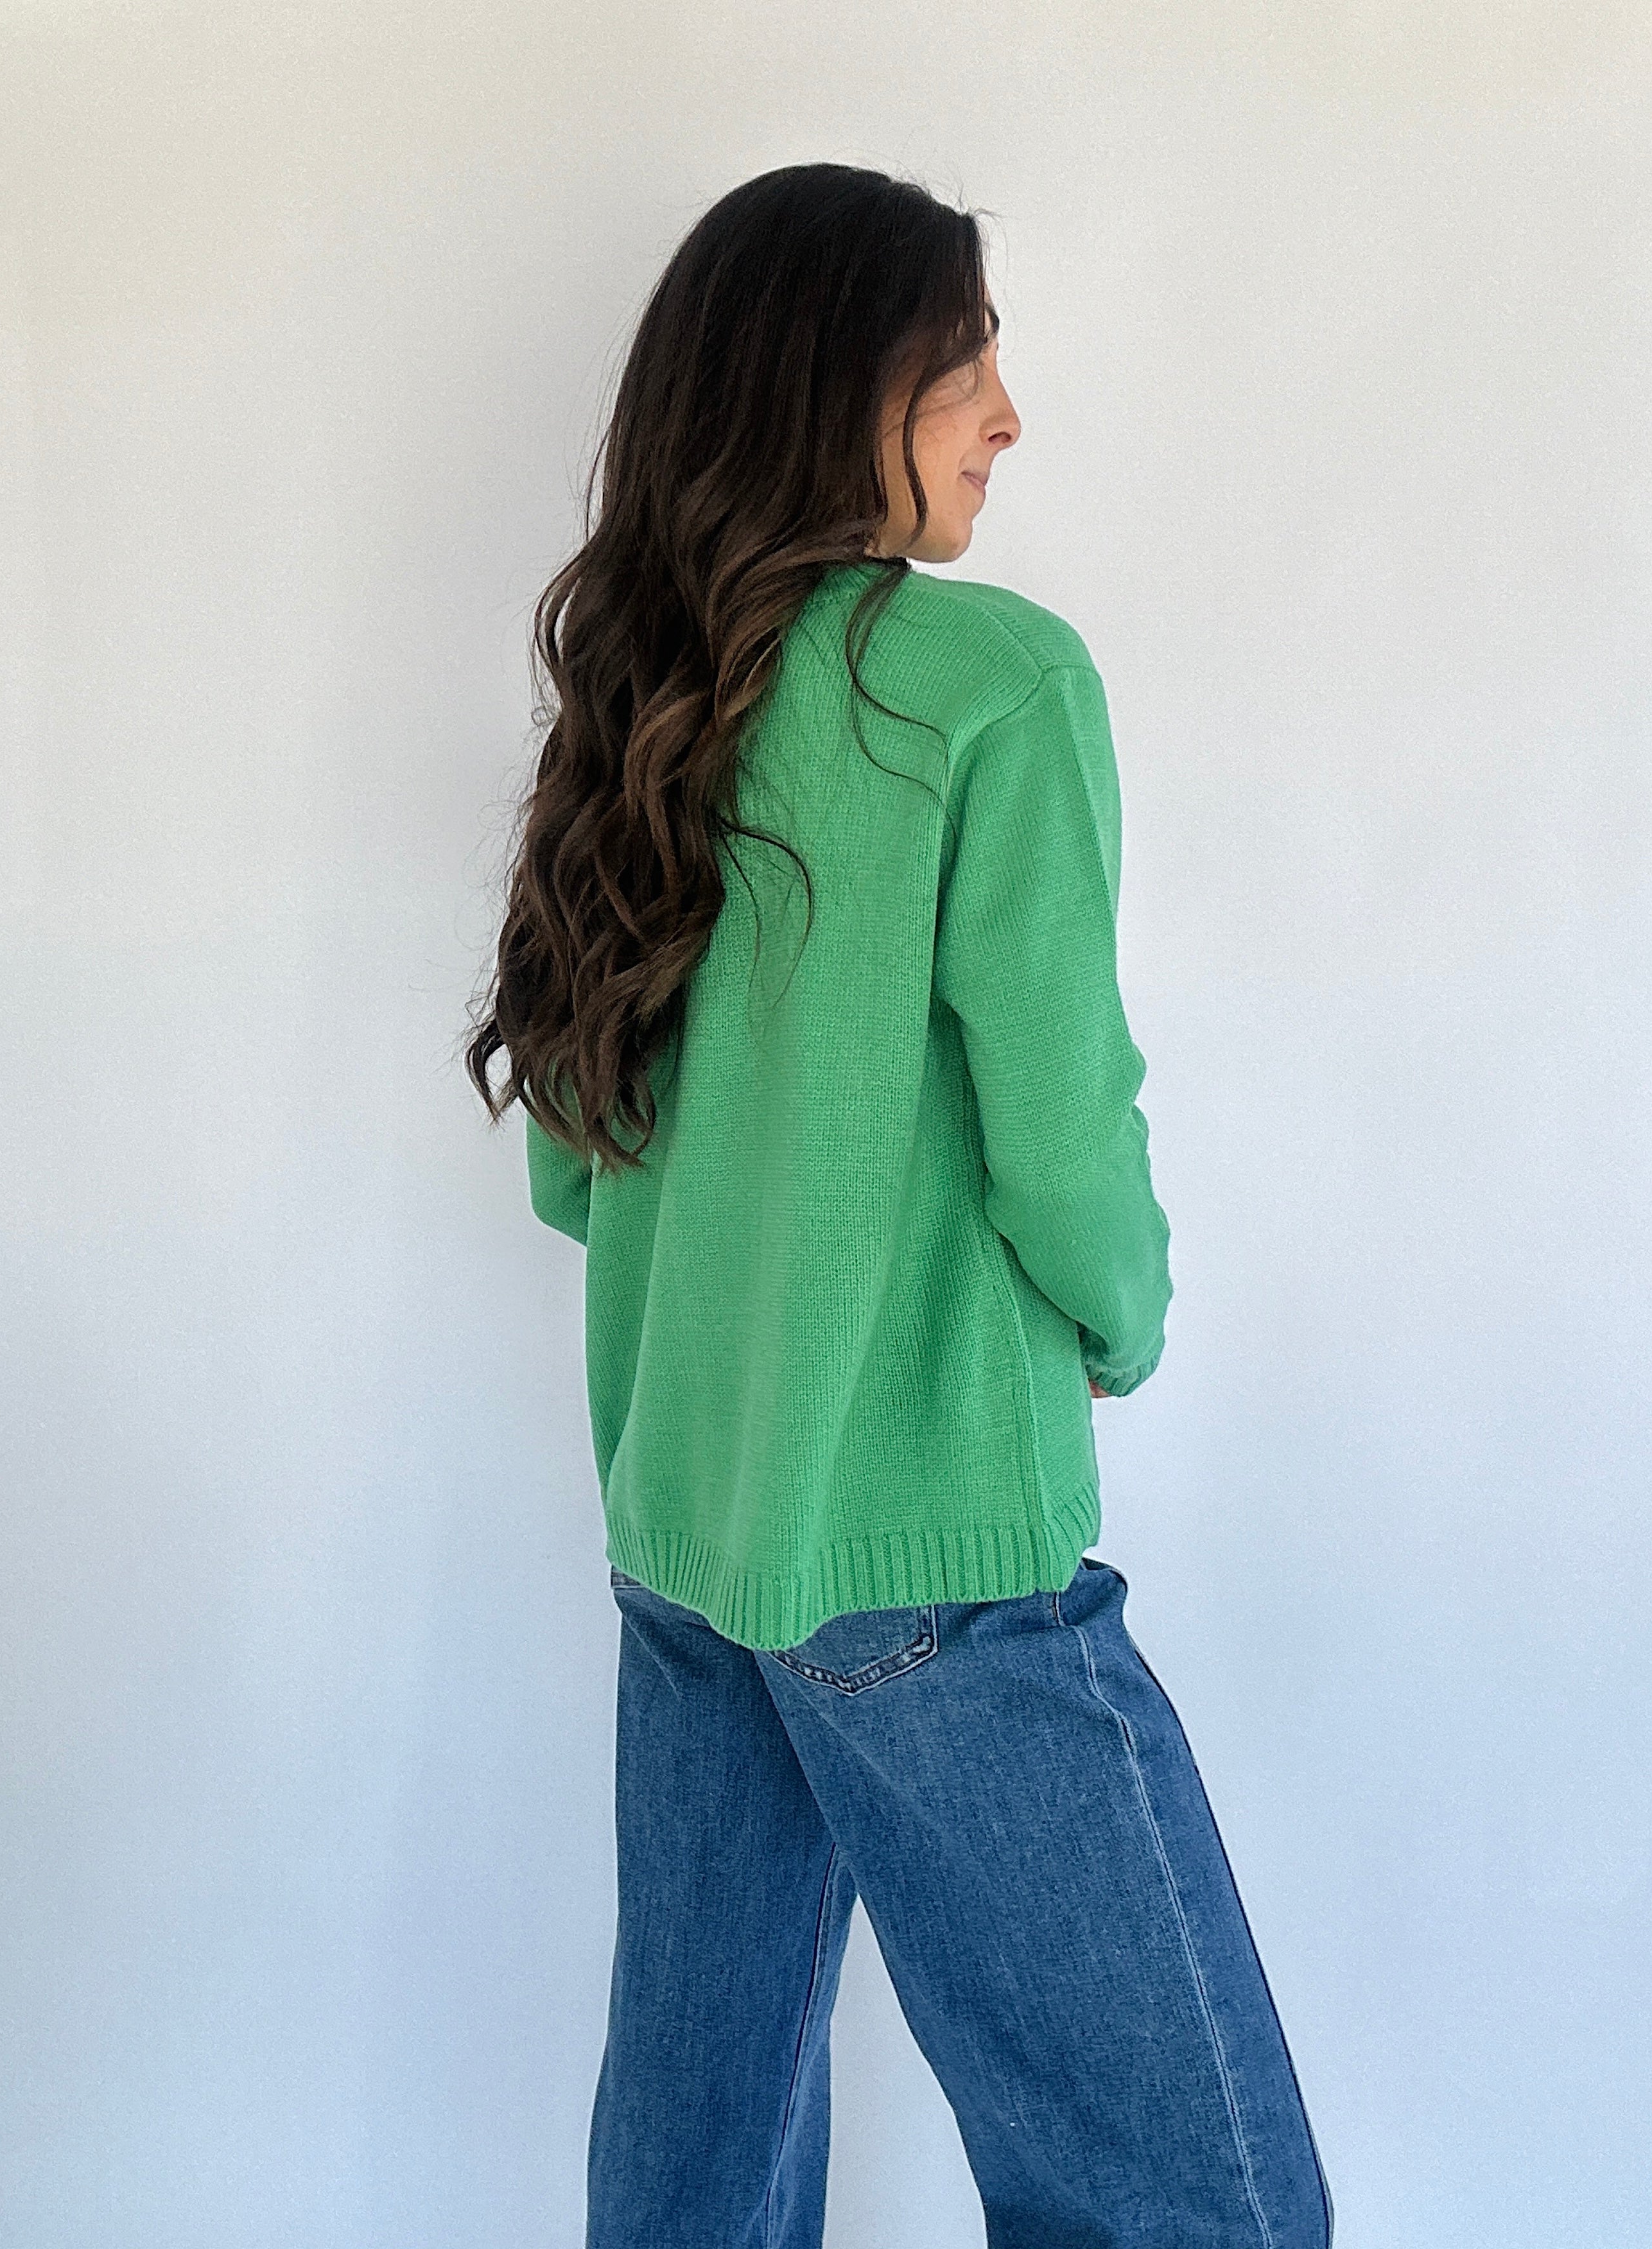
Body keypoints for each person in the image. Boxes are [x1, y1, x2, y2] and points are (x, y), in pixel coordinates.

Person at [467, 161, 1333, 2249]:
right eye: (964, 368)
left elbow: (574, 1174)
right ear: (836, 397)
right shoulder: (991, 690)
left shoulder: (650, 695)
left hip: (688, 1532)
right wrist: (1116, 1322)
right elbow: (1062, 1125)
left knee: (697, 2172)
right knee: (1199, 2200)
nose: (1006, 417)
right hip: (932, 1557)